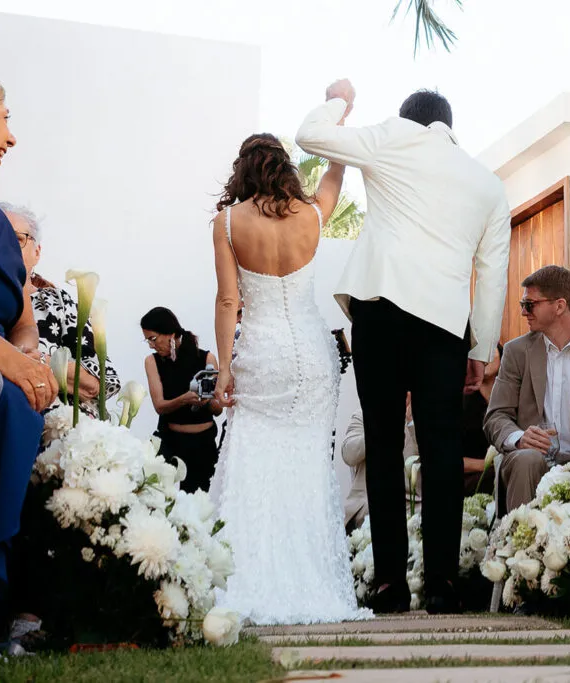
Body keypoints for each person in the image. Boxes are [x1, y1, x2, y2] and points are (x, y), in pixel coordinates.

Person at [296, 82, 510, 614]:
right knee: (439, 454)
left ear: (409, 119)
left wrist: (339, 100)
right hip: (442, 327)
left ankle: (390, 583)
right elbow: (493, 272)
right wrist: (480, 349)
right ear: (448, 124)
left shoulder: (395, 138)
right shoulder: (486, 183)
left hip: (380, 312)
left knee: (384, 447)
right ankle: (441, 584)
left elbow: (310, 135)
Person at [209, 132, 368, 624]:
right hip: (314, 358)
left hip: (262, 354)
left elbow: (228, 301)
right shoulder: (311, 214)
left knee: (254, 462)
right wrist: (338, 122)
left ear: (244, 170)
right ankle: (310, 582)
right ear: (283, 167)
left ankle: (249, 579)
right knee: (307, 468)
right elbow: (334, 177)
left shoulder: (228, 222)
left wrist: (224, 368)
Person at [0, 79, 58, 654]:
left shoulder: (8, 240)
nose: (10, 137)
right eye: (3, 118)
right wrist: (10, 359)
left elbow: (22, 318)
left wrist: (30, 356)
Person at [485, 266, 570, 513]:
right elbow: (496, 416)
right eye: (523, 304)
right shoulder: (516, 352)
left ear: (559, 306)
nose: (523, 311)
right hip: (531, 461)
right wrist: (519, 438)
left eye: (530, 304)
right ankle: (518, 548)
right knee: (527, 459)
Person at [0, 203, 120, 417]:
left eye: (17, 239)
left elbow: (96, 384)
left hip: (57, 428)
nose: (6, 247)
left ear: (37, 252)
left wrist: (36, 362)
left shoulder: (58, 302)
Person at [141, 307, 222, 492]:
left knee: (198, 503)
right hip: (170, 440)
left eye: (153, 339)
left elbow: (218, 409)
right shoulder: (152, 362)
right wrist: (184, 399)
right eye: (147, 340)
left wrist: (206, 401)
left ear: (170, 333)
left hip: (203, 444)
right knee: (155, 494)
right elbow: (159, 406)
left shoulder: (206, 358)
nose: (151, 345)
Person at [342, 395, 420, 531]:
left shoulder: (425, 417)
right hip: (369, 503)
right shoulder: (365, 413)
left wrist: (411, 423)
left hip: (412, 505)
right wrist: (382, 426)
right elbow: (349, 454)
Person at [461, 344, 501, 496]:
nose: (484, 357)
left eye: (490, 351)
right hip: (472, 481)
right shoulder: (461, 404)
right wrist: (485, 465)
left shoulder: (514, 395)